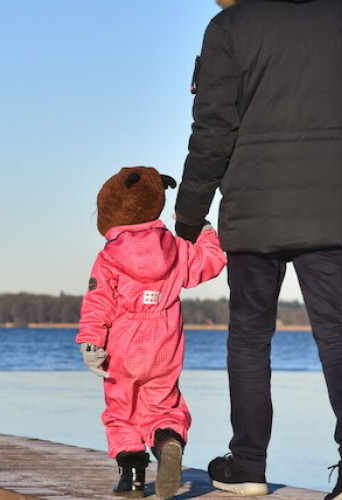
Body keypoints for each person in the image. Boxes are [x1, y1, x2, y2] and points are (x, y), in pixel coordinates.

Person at [173, 0, 342, 499]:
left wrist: (189, 216)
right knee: (337, 327)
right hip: (334, 203)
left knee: (251, 336)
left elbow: (212, 130)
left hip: (255, 208)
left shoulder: (229, 27)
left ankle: (248, 463)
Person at [78, 166, 227, 498]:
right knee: (162, 402)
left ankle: (132, 478)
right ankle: (168, 440)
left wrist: (91, 340)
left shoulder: (109, 256)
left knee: (121, 407)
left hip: (124, 337)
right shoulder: (174, 247)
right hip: (166, 337)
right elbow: (211, 261)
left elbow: (98, 300)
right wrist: (204, 231)